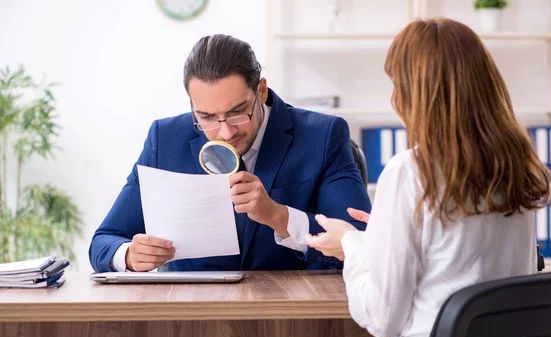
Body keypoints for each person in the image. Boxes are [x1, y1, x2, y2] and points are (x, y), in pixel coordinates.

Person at [287, 17, 551, 337]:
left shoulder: (411, 171)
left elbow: (381, 318)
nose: (393, 97)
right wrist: (376, 239)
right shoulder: (516, 168)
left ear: (417, 93)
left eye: (396, 84)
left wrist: (352, 247)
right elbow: (453, 258)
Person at [89, 34, 371, 273]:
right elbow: (104, 242)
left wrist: (279, 216)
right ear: (192, 105)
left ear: (261, 91)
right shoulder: (164, 139)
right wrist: (127, 255)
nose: (225, 133)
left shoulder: (323, 136)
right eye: (208, 116)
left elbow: (360, 243)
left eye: (237, 113)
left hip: (290, 319)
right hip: (188, 320)